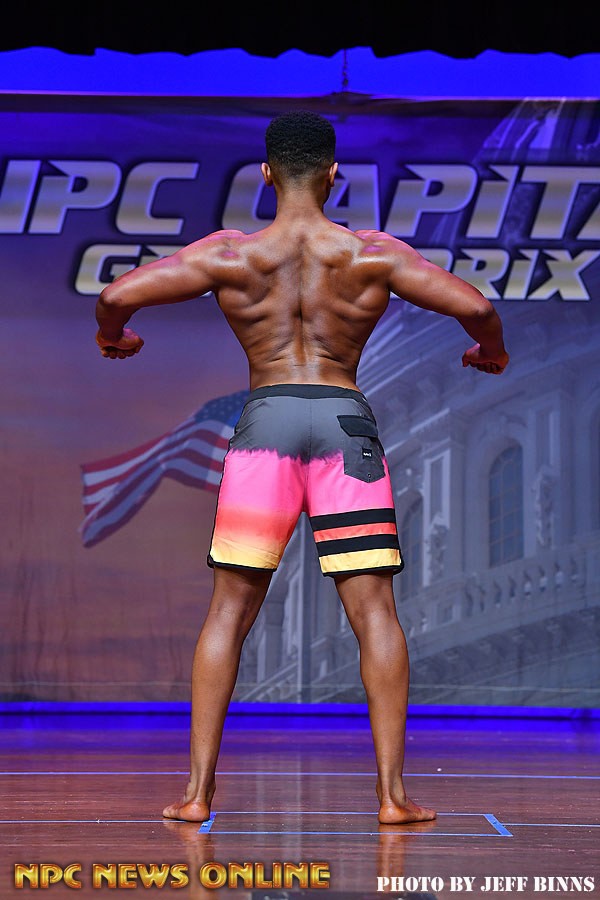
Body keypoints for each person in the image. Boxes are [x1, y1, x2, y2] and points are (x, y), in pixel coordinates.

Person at [95, 110, 509, 825]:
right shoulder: (371, 254)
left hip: (267, 427)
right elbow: (477, 307)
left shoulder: (232, 255)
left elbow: (114, 297)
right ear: (333, 175)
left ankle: (196, 794)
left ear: (265, 173)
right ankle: (392, 798)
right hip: (344, 425)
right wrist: (490, 352)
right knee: (373, 612)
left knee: (229, 610)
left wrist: (116, 336)